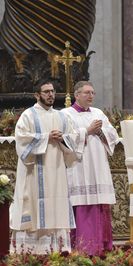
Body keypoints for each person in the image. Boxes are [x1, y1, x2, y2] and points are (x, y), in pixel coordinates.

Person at [10, 80, 82, 254]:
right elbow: (21, 140)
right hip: (34, 171)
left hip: (57, 170)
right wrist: (45, 137)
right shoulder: (28, 115)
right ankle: (31, 251)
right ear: (37, 95)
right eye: (46, 91)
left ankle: (58, 250)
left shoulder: (62, 116)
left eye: (52, 91)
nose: (51, 94)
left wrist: (63, 138)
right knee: (34, 206)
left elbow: (75, 138)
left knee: (56, 204)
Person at [62, 81, 119, 255]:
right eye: (87, 93)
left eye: (93, 93)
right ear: (76, 95)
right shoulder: (65, 114)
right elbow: (66, 139)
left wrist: (100, 132)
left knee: (98, 202)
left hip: (98, 164)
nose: (91, 96)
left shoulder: (98, 113)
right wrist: (87, 131)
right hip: (78, 166)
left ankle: (101, 246)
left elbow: (113, 135)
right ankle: (81, 247)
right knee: (81, 203)